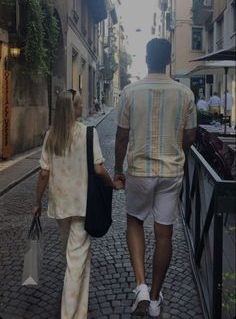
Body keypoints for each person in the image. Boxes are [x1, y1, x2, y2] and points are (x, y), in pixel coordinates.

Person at [114, 38, 196, 317]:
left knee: (134, 220)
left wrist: (117, 169)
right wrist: (176, 150)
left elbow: (122, 135)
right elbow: (191, 136)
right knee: (165, 234)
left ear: (147, 59)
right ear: (169, 60)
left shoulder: (129, 92)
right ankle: (156, 298)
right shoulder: (186, 94)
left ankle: (141, 286)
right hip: (171, 171)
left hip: (139, 170)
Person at [32, 89, 122, 319]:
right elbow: (99, 168)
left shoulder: (51, 135)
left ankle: (79, 311)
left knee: (75, 258)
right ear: (70, 109)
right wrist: (113, 185)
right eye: (79, 105)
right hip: (82, 205)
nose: (82, 108)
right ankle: (69, 313)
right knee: (76, 260)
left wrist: (37, 203)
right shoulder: (86, 133)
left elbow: (44, 173)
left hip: (61, 205)